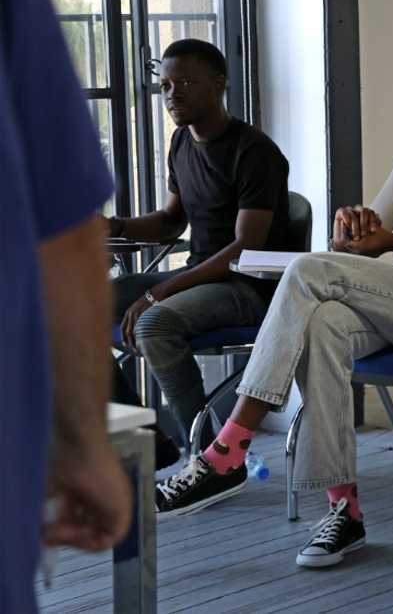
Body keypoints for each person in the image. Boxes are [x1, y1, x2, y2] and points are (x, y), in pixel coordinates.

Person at [151, 10, 393, 570]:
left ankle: (226, 450)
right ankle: (345, 512)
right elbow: (357, 248)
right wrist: (351, 230)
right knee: (323, 323)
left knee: (308, 272)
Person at [0, 0, 130, 611]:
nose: (170, 96)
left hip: (235, 277)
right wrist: (82, 446)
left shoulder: (251, 152)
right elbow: (67, 230)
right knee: (151, 308)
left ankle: (222, 446)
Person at [106, 38, 290, 455]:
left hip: (249, 287)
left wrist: (160, 292)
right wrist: (110, 226)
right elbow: (172, 220)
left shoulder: (254, 152)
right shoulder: (182, 143)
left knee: (155, 323)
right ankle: (148, 440)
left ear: (219, 84)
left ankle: (209, 454)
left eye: (186, 81)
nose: (173, 94)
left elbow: (246, 249)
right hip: (200, 276)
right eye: (166, 85)